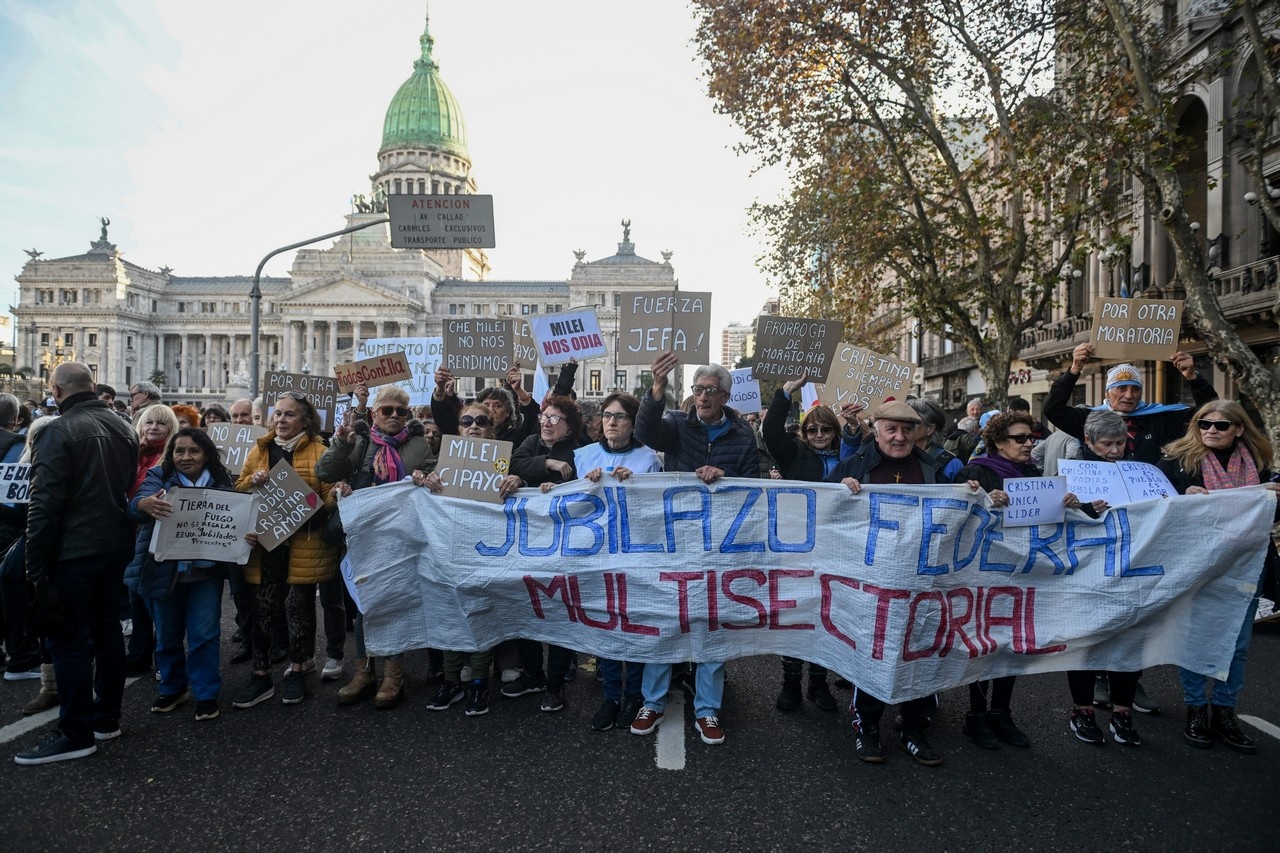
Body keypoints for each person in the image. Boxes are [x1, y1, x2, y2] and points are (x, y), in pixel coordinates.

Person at [630, 352, 758, 746]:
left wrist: (726, 476)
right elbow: (647, 433)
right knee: (665, 618)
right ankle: (652, 701)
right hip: (675, 542)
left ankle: (708, 709)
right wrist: (656, 388)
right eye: (697, 390)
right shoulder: (676, 425)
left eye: (710, 391)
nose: (702, 397)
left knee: (710, 623)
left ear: (725, 396)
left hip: (718, 545)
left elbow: (753, 485)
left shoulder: (742, 436)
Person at [15, 362, 137, 765]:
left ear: (56, 389)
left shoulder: (56, 430)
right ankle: (107, 719)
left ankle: (74, 732)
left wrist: (34, 563)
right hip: (114, 544)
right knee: (105, 633)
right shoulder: (124, 426)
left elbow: (44, 502)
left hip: (73, 549)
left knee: (68, 639)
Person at [824, 400, 944, 766]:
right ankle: (868, 726)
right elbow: (822, 511)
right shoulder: (854, 465)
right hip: (871, 582)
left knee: (919, 652)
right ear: (875, 430)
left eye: (907, 429)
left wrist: (973, 492)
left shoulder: (934, 469)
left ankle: (914, 727)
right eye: (891, 429)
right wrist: (837, 490)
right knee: (873, 651)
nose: (900, 436)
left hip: (920, 582)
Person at [1159, 400, 1279, 754]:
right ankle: (1196, 708)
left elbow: (1268, 517)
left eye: (1221, 425)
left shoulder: (1259, 466)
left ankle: (1225, 711)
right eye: (1204, 423)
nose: (1211, 430)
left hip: (1247, 564)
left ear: (1239, 429)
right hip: (1198, 564)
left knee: (1237, 644)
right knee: (1196, 637)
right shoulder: (1176, 463)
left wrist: (1272, 498)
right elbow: (1151, 505)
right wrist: (1182, 496)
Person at [954, 410, 1076, 751]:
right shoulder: (976, 471)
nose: (1028, 443)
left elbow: (1048, 521)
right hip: (983, 574)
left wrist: (1068, 505)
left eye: (1031, 438)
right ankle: (976, 716)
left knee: (1011, 642)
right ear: (997, 443)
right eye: (1020, 438)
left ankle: (1001, 713)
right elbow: (954, 515)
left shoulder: (1032, 474)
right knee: (984, 643)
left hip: (1021, 574)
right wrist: (984, 501)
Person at [317, 386, 435, 708]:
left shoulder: (419, 444)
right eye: (387, 410)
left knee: (393, 603)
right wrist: (341, 445)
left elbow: (440, 477)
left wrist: (428, 477)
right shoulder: (361, 441)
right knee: (363, 606)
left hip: (400, 537)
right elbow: (325, 471)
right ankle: (363, 672)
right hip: (362, 536)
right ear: (374, 414)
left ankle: (393, 675)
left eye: (401, 411)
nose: (394, 416)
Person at [232, 392, 341, 709]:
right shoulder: (259, 450)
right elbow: (238, 488)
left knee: (298, 607)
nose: (281, 419)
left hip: (304, 542)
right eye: (277, 413)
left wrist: (333, 494)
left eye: (289, 414)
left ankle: (298, 668)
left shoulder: (322, 452)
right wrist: (252, 480)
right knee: (264, 609)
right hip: (267, 544)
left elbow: (329, 500)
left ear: (305, 420)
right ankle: (261, 674)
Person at [413, 402, 522, 716]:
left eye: (482, 421)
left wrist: (517, 481)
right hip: (448, 551)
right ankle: (451, 682)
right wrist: (422, 478)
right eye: (466, 421)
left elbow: (525, 497)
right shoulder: (442, 462)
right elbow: (415, 487)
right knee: (449, 613)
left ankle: (478, 683)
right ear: (459, 428)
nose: (473, 426)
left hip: (484, 553)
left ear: (492, 429)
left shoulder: (505, 462)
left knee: (479, 613)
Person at [126, 428, 237, 721]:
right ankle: (173, 688)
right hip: (163, 572)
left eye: (193, 451)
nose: (186, 457)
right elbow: (134, 507)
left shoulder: (222, 482)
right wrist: (143, 504)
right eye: (179, 451)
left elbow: (236, 521)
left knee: (204, 634)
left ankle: (206, 693)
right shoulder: (158, 478)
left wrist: (243, 535)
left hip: (204, 575)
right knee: (167, 635)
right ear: (171, 455)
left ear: (206, 455)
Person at [573, 392, 662, 731]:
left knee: (634, 624)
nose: (612, 421)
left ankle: (635, 696)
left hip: (636, 554)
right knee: (606, 626)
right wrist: (582, 485)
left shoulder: (647, 459)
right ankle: (611, 696)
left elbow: (658, 506)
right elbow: (568, 503)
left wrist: (637, 486)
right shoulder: (583, 456)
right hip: (596, 556)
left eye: (621, 416)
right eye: (607, 415)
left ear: (633, 422)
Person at [1061, 410, 1143, 747]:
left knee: (1127, 642)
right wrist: (1081, 509)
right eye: (1106, 444)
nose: (1114, 450)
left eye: (1120, 442)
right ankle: (1083, 711)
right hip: (1087, 574)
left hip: (1129, 570)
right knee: (1087, 643)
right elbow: (1050, 519)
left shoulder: (1141, 470)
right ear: (1089, 442)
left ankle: (1122, 713)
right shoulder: (1067, 476)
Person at [761, 374, 839, 714]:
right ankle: (791, 682)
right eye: (812, 430)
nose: (819, 435)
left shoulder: (851, 458)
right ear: (804, 434)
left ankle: (818, 683)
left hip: (836, 550)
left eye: (826, 430)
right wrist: (785, 393)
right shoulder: (792, 454)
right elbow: (770, 432)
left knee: (826, 616)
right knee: (796, 616)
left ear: (835, 432)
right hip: (797, 548)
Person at [503, 396, 586, 712]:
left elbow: (584, 481)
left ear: (569, 427)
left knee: (561, 612)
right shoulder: (531, 442)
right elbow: (511, 462)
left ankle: (554, 685)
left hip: (564, 544)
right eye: (544, 416)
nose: (547, 422)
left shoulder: (580, 450)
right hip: (526, 544)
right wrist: (544, 466)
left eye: (555, 418)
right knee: (526, 607)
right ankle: (533, 674)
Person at [1044, 344, 1218, 465]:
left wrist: (1192, 377)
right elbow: (1052, 410)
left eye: (1135, 389)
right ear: (1107, 393)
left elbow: (1210, 411)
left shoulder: (1161, 418)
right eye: (1121, 388)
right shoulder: (1089, 418)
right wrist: (1074, 370)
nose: (1128, 395)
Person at [125, 405, 181, 678]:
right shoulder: (131, 455)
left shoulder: (171, 460)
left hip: (156, 533)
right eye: (149, 423)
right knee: (136, 598)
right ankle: (138, 655)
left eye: (161, 423)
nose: (154, 427)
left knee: (157, 600)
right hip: (131, 531)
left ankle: (163, 657)